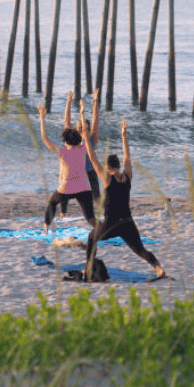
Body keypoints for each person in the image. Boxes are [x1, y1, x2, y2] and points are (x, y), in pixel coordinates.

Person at [80, 103, 166, 279]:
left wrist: (85, 136)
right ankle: (158, 268)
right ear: (118, 166)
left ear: (107, 167)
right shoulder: (127, 176)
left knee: (91, 239)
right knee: (139, 249)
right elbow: (127, 157)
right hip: (128, 222)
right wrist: (124, 135)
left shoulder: (107, 179)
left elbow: (92, 158)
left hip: (111, 223)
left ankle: (87, 269)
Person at [38, 103, 96, 232]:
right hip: (84, 187)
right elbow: (86, 133)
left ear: (66, 141)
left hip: (66, 188)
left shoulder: (63, 152)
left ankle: (46, 227)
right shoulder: (83, 149)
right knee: (90, 217)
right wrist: (82, 112)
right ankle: (102, 230)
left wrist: (42, 119)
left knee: (52, 203)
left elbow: (44, 138)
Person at [61, 88, 101, 205]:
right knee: (64, 194)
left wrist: (95, 101)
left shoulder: (92, 139)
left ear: (87, 128)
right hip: (76, 172)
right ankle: (63, 212)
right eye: (78, 127)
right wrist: (68, 103)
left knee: (97, 198)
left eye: (82, 127)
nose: (80, 129)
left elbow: (95, 121)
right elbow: (67, 123)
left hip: (90, 172)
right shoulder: (73, 140)